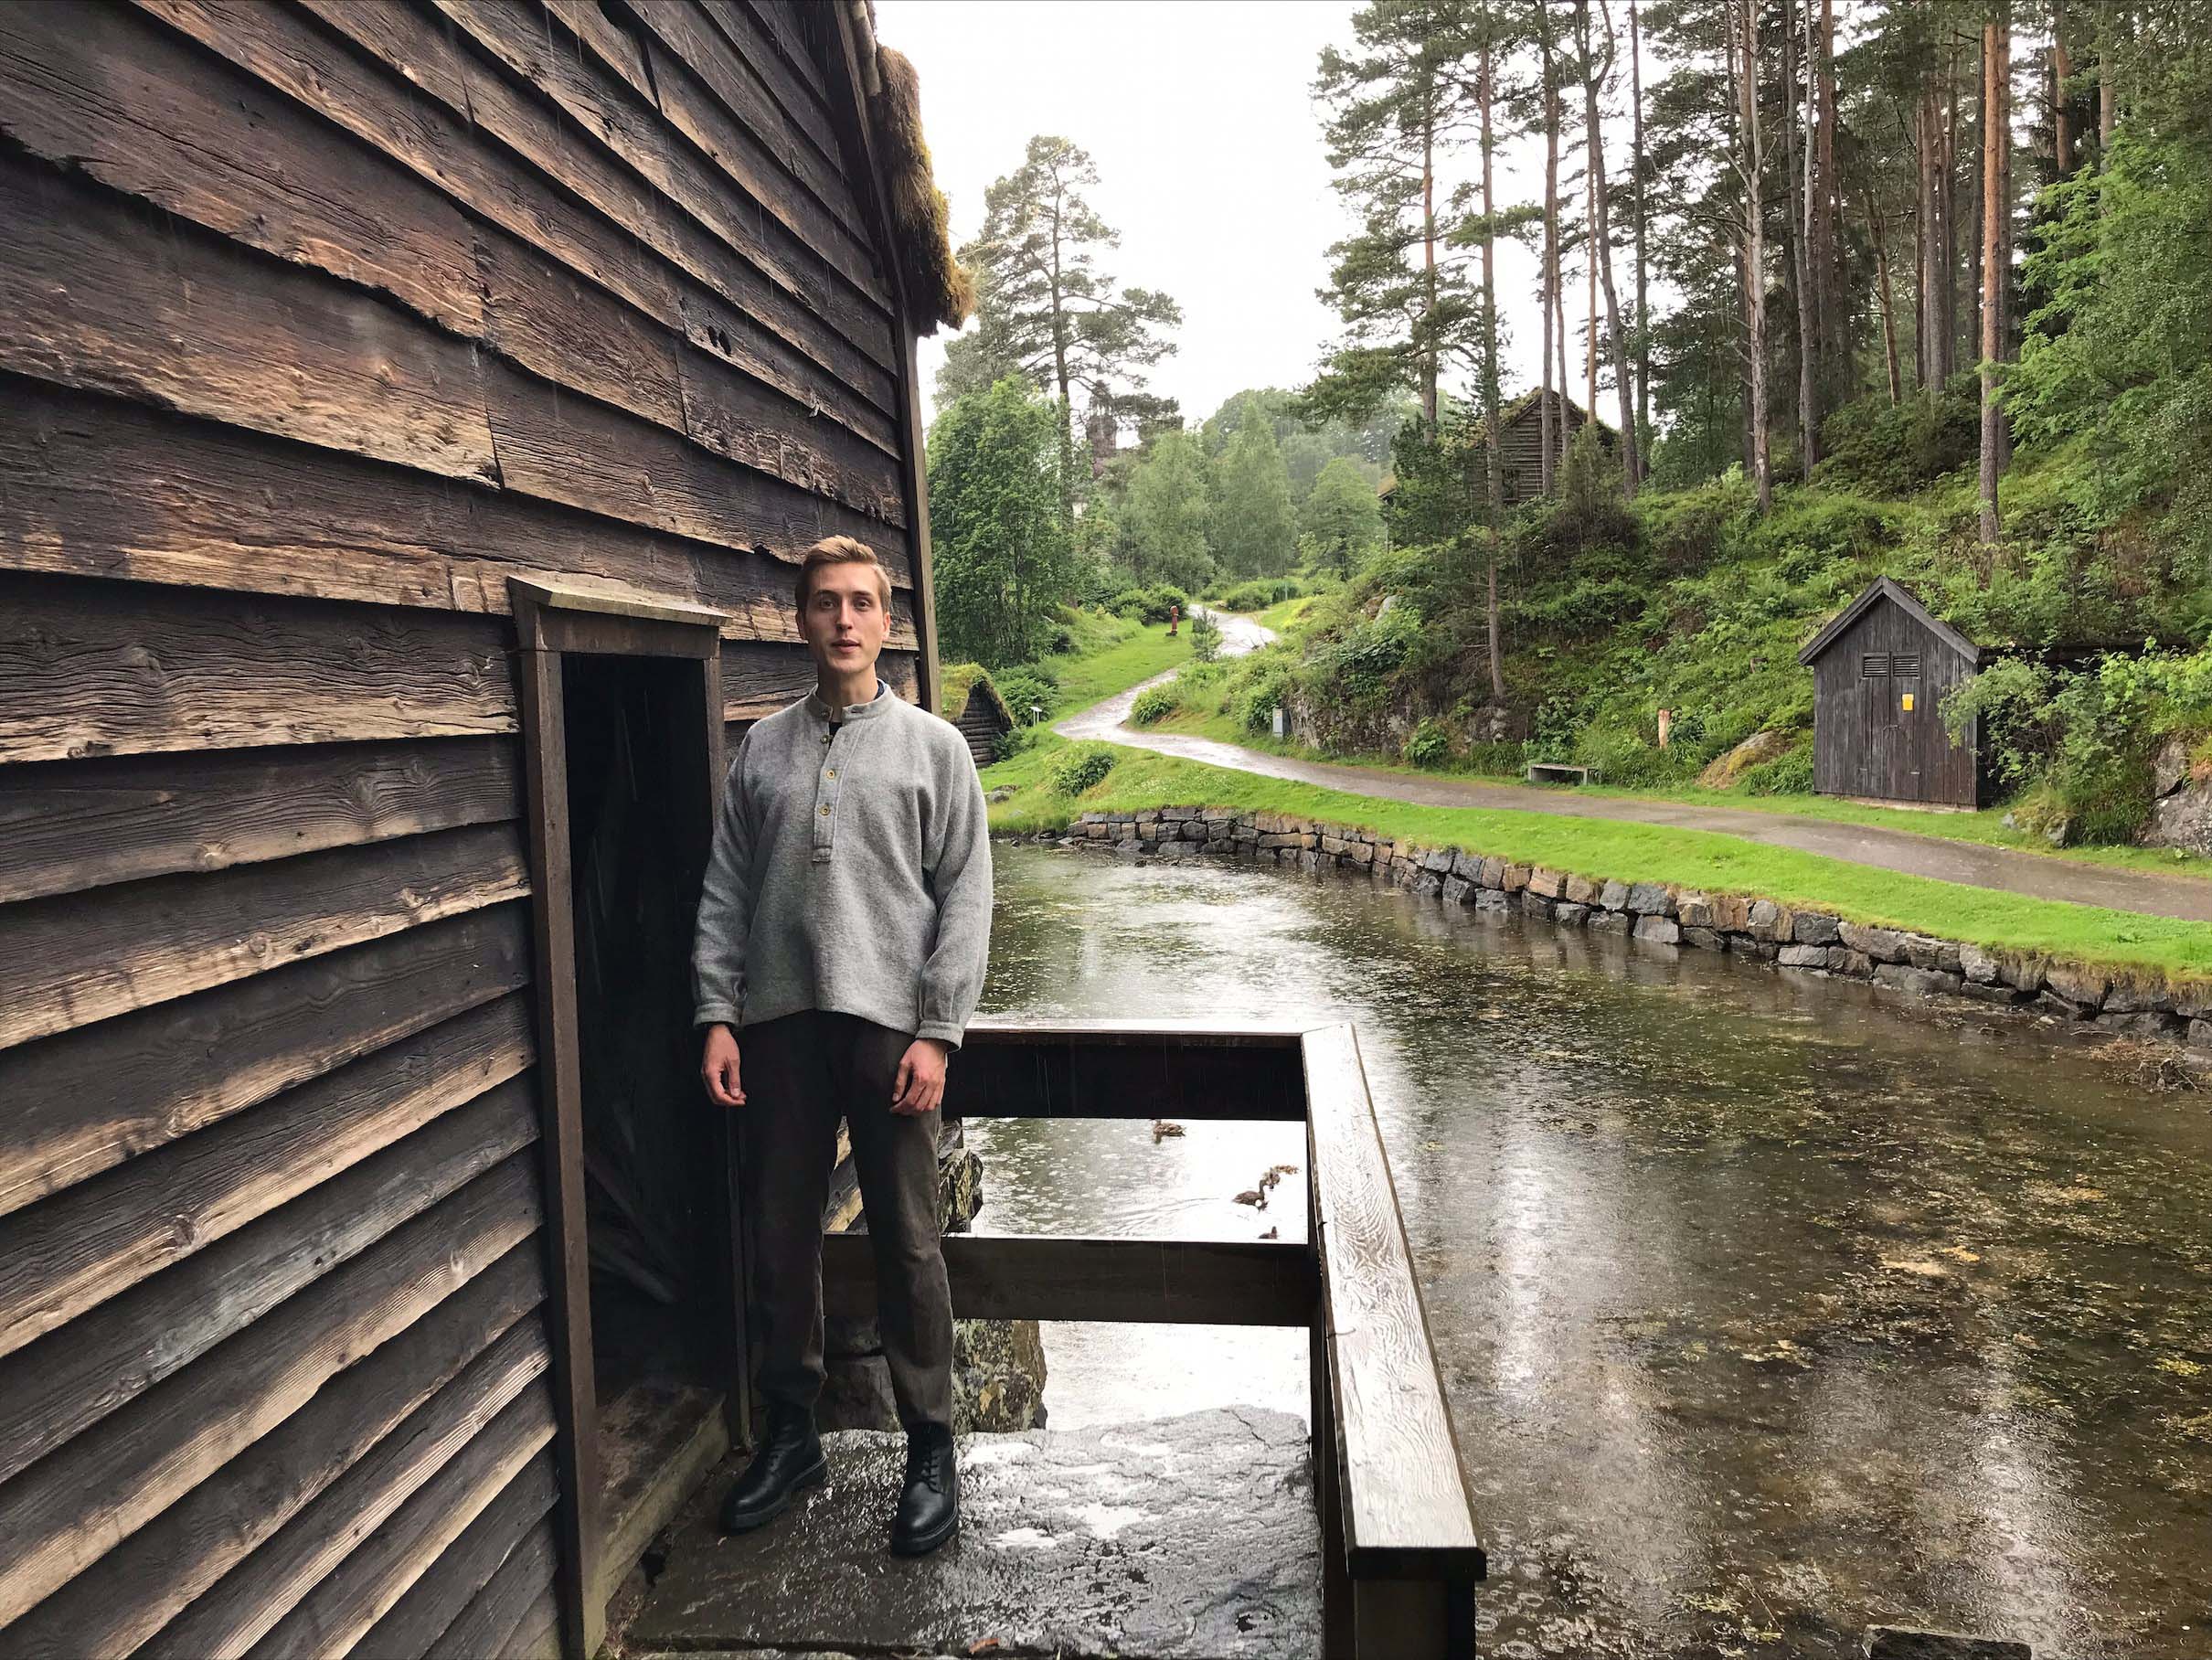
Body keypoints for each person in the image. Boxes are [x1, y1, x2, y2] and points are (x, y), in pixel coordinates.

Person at [692, 535, 992, 1558]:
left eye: (861, 602)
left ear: (887, 621)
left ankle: (929, 1443)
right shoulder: (762, 750)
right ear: (802, 618)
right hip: (778, 1029)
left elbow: (965, 896)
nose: (844, 620)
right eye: (825, 603)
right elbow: (726, 889)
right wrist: (717, 1014)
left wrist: (938, 1032)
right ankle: (791, 1430)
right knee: (778, 1233)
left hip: (888, 1033)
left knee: (907, 1238)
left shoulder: (934, 749)